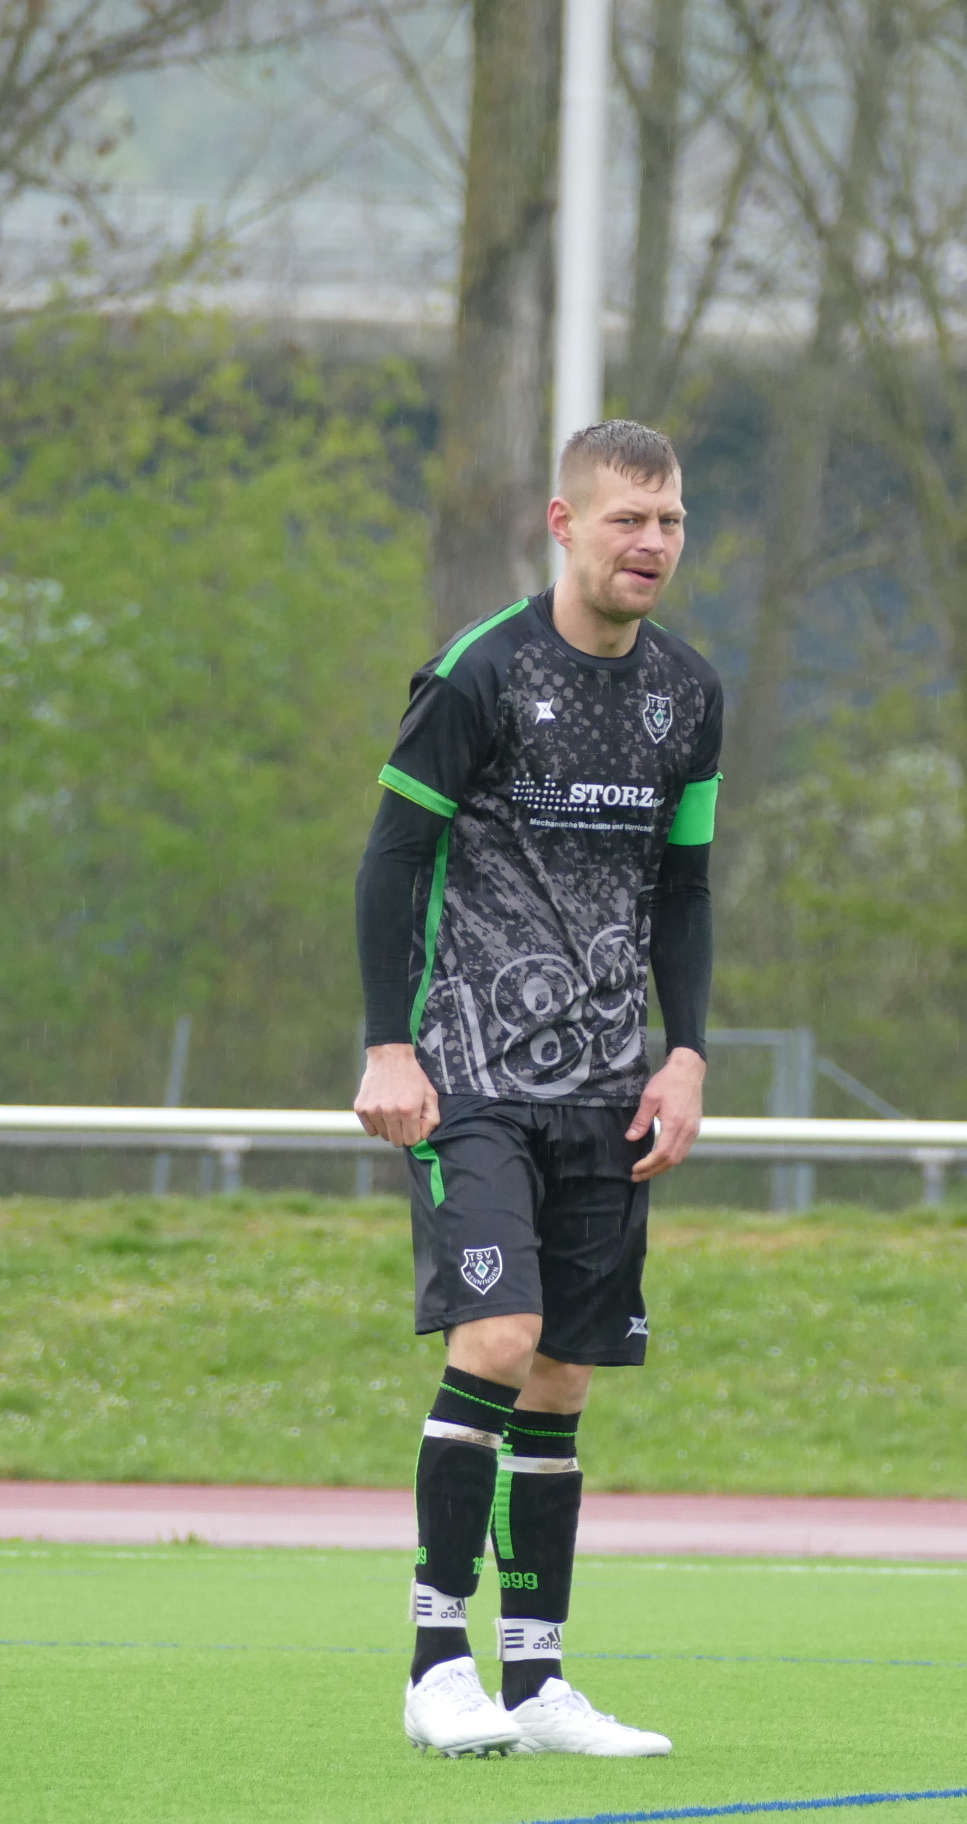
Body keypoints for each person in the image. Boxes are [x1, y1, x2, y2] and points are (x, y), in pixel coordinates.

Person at [353, 420, 721, 1756]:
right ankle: (434, 1665)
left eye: (670, 522)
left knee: (563, 1375)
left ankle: (536, 1681)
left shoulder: (690, 694)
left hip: (609, 1088)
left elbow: (685, 889)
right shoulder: (482, 673)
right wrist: (388, 1046)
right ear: (563, 525)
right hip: (470, 1073)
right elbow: (392, 860)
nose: (652, 544)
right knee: (500, 1340)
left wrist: (685, 1055)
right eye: (628, 519)